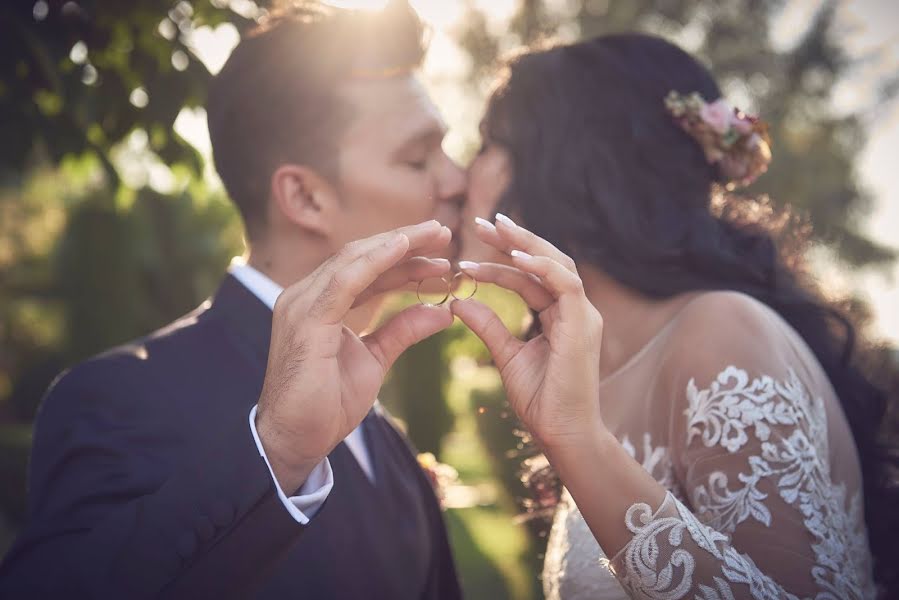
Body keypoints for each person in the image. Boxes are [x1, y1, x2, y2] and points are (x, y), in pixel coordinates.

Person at [0, 2, 466, 598]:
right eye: (419, 157)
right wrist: (274, 455)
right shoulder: (113, 400)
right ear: (304, 197)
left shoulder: (388, 443)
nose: (456, 180)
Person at [453, 33, 897, 599]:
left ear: (567, 166)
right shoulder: (592, 370)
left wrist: (579, 442)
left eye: (489, 144)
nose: (465, 171)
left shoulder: (720, 333)